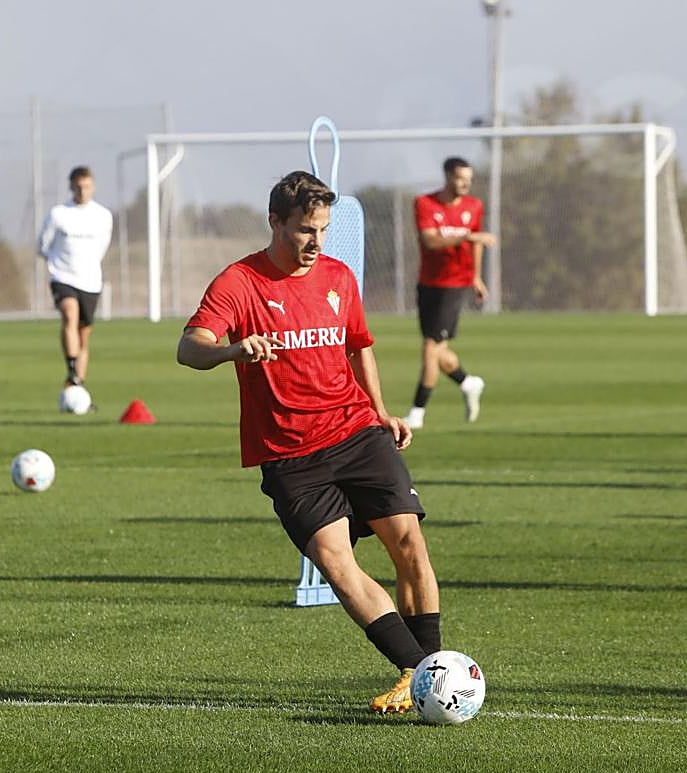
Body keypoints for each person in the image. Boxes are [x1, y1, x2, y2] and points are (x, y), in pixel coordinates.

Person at [177, 171, 443, 713]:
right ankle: (417, 672)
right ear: (275, 222)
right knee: (336, 564)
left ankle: (433, 673)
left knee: (409, 544)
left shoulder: (338, 277)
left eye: (322, 229)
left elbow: (358, 345)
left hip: (356, 431)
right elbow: (190, 346)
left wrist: (380, 411)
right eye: (305, 230)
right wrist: (231, 351)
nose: (316, 241)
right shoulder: (239, 282)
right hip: (290, 456)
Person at [402, 157, 496, 430]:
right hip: (428, 283)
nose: (465, 184)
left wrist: (475, 277)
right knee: (437, 350)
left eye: (469, 179)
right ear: (447, 177)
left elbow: (476, 244)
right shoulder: (424, 203)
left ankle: (417, 412)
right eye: (460, 178)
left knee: (430, 348)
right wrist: (466, 237)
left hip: (454, 285)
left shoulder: (474, 206)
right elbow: (430, 241)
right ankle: (468, 382)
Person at [38, 165, 113, 392]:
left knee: (83, 335)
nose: (83, 191)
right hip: (63, 276)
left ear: (93, 187)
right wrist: (57, 263)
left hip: (90, 280)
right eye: (78, 187)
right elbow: (42, 246)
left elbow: (103, 246)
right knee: (69, 314)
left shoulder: (103, 216)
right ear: (71, 187)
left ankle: (77, 384)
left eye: (87, 187)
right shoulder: (58, 214)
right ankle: (71, 369)